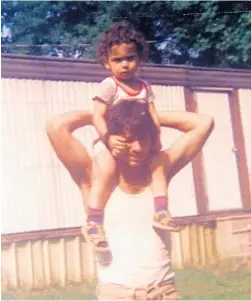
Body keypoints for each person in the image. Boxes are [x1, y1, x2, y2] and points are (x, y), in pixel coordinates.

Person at [46, 100, 214, 300]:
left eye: (144, 138)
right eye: (128, 139)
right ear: (112, 138)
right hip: (117, 295)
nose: (137, 148)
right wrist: (101, 118)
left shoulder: (159, 171)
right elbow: (55, 126)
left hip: (164, 293)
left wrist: (148, 117)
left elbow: (204, 123)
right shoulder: (93, 178)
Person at [88, 21, 177, 252]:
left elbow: (153, 115)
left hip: (139, 141)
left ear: (139, 58)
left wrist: (156, 140)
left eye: (130, 58)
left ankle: (161, 210)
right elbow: (97, 116)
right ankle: (94, 222)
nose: (125, 64)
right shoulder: (109, 85)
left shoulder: (145, 87)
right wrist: (107, 139)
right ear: (107, 63)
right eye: (117, 60)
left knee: (157, 165)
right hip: (111, 141)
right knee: (106, 170)